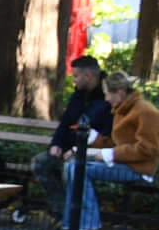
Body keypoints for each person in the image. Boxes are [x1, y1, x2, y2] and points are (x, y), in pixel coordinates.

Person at [52, 72, 159, 230]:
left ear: (119, 93)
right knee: (72, 166)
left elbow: (147, 149)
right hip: (123, 163)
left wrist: (109, 154)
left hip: (139, 169)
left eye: (107, 94)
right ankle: (72, 224)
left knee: (79, 169)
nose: (105, 99)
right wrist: (95, 139)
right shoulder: (122, 109)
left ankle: (88, 226)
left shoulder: (146, 112)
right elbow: (116, 143)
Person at [30, 56, 114, 216]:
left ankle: (75, 217)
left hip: (90, 151)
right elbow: (65, 122)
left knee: (69, 168)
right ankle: (61, 211)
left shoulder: (108, 98)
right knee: (40, 163)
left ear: (88, 76)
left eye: (75, 76)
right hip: (68, 148)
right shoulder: (78, 95)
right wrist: (56, 144)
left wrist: (77, 150)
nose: (73, 80)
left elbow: (105, 136)